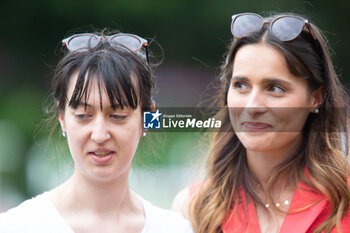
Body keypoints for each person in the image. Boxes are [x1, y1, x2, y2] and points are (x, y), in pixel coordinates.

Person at [172, 12, 350, 233]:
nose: (252, 105)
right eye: (241, 85)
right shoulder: (195, 208)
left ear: (316, 97)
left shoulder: (343, 202)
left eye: (275, 88)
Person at [0, 31, 193, 233]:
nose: (100, 135)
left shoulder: (175, 228)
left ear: (147, 119)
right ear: (62, 118)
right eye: (83, 115)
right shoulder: (17, 226)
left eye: (117, 116)